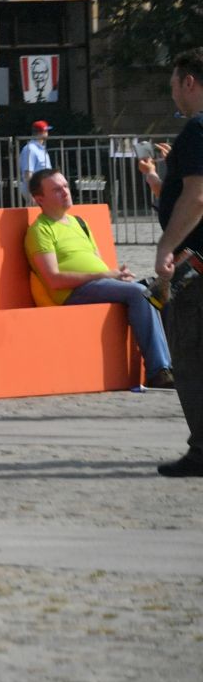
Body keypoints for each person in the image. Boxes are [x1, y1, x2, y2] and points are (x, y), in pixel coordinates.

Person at [25, 168, 173, 388]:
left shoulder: (79, 223)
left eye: (65, 186)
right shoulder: (40, 230)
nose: (65, 192)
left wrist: (117, 276)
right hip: (72, 292)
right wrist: (106, 275)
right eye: (57, 190)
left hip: (98, 285)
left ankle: (175, 364)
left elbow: (98, 263)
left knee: (160, 290)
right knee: (140, 292)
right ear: (39, 199)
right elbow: (54, 279)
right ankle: (158, 371)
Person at [151, 49, 203, 476]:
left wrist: (167, 246)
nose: (173, 93)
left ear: (190, 82)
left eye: (173, 84)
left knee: (190, 354)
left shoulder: (198, 129)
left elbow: (197, 197)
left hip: (197, 262)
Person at [19, 121, 53, 185]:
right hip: (36, 190)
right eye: (45, 131)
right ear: (39, 132)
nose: (47, 133)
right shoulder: (30, 149)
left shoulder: (41, 149)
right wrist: (33, 192)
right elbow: (28, 174)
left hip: (43, 188)